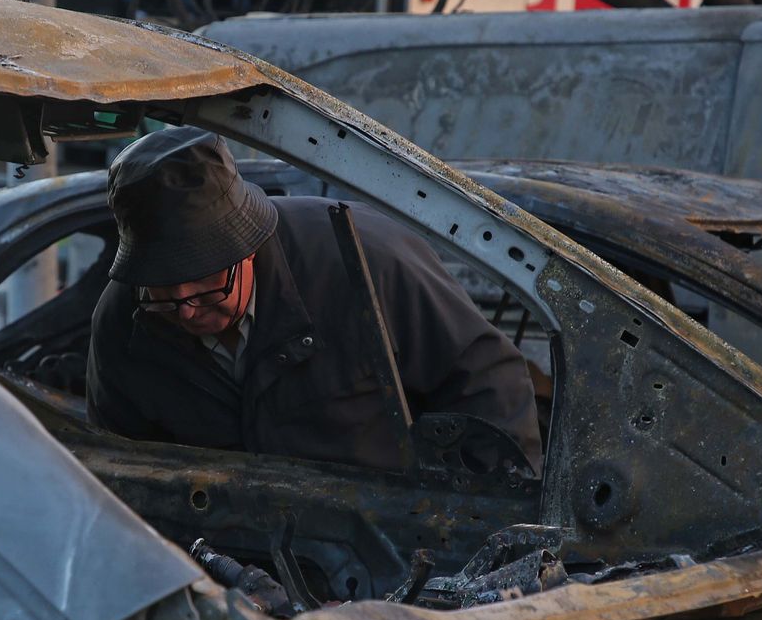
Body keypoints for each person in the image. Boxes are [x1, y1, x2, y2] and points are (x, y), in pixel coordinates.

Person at [86, 126, 542, 473]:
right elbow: (118, 465)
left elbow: (486, 380)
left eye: (205, 285)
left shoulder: (368, 263)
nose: (184, 308)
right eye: (163, 291)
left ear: (248, 246)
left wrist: (479, 530)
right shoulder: (123, 322)